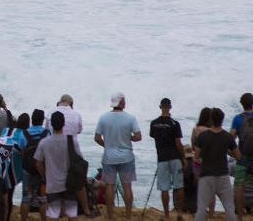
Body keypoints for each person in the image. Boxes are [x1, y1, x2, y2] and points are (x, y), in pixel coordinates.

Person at [94, 92, 142, 220]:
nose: (125, 102)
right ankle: (128, 215)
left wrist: (107, 145)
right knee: (127, 186)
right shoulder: (130, 118)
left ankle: (110, 216)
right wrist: (128, 137)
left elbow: (97, 138)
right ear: (121, 102)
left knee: (109, 186)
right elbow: (138, 137)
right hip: (126, 157)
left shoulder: (103, 118)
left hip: (109, 157)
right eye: (124, 100)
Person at [193, 108, 240, 221]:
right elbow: (238, 156)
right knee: (229, 207)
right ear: (222, 120)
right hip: (223, 175)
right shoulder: (227, 136)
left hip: (206, 175)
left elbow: (196, 158)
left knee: (201, 208)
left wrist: (197, 173)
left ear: (211, 119)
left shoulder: (203, 136)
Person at [35, 111, 83, 221]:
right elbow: (80, 160)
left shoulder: (44, 142)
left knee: (53, 214)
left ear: (51, 124)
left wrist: (45, 176)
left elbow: (38, 163)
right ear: (64, 123)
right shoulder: (72, 140)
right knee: (72, 214)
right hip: (69, 183)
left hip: (52, 184)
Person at [149, 98, 186, 221]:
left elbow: (155, 138)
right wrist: (183, 157)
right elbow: (178, 143)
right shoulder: (175, 124)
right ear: (170, 107)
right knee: (179, 186)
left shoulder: (154, 124)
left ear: (160, 107)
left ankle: (166, 215)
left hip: (162, 158)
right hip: (175, 157)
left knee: (164, 188)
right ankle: (179, 213)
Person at [20, 109, 49, 221]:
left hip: (28, 170)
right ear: (42, 120)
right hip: (42, 170)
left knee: (26, 198)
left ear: (32, 119)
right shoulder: (47, 133)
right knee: (43, 199)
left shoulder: (24, 133)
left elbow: (22, 152)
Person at [230, 93, 253, 221]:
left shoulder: (238, 119)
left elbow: (230, 138)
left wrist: (234, 153)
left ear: (241, 104)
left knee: (239, 186)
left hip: (242, 159)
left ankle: (239, 216)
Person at [190, 107, 215, 216]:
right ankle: (211, 212)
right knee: (211, 189)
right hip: (210, 162)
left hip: (198, 161)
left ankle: (202, 211)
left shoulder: (196, 130)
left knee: (201, 188)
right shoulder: (213, 130)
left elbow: (193, 146)